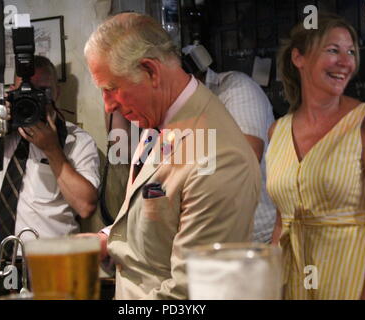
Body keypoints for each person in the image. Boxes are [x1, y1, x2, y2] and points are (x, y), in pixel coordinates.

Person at [82, 12, 261, 299]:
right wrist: (107, 239)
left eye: (111, 89)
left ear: (151, 71)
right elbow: (157, 221)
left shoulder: (218, 157)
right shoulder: (160, 119)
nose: (108, 106)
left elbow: (191, 294)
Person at [266, 13, 365, 299]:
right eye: (333, 50)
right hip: (293, 285)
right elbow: (282, 223)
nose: (346, 62)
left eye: (351, 52)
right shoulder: (277, 131)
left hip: (351, 284)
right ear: (299, 58)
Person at [0, 56, 100, 257]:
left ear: (57, 92)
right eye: (24, 92)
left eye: (41, 91)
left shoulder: (76, 141)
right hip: (2, 262)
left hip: (55, 262)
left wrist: (52, 149)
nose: (33, 99)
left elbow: (86, 206)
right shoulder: (2, 136)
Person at [183, 43, 276, 243]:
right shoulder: (170, 113)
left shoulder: (235, 88)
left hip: (258, 238)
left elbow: (245, 159)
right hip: (211, 241)